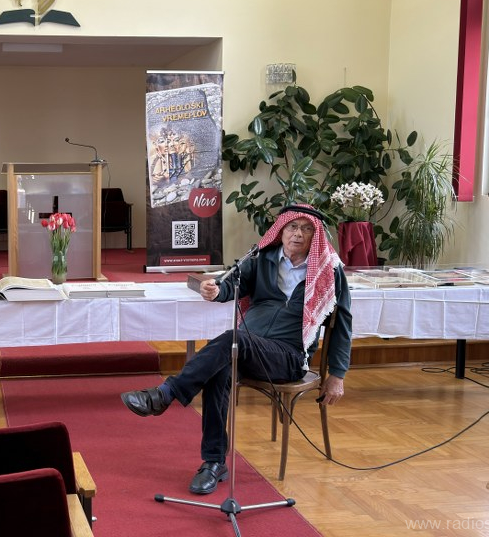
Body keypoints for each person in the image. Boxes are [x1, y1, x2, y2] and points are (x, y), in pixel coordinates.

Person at [120, 205, 352, 494]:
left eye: (306, 229)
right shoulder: (262, 258)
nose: (298, 234)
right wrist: (217, 290)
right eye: (292, 227)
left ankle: (166, 394)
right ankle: (214, 463)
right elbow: (231, 283)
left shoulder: (328, 270)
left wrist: (337, 374)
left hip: (288, 357)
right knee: (219, 370)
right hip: (248, 350)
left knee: (234, 340)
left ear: (315, 236)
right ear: (280, 230)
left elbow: (342, 323)